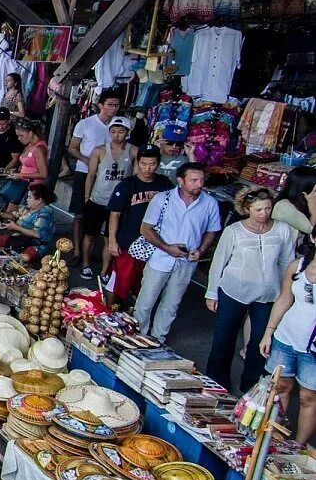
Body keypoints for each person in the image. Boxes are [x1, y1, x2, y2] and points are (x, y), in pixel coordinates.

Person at [205, 187, 297, 391]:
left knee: (260, 343)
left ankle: (252, 387)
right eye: (258, 209)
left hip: (268, 294)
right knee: (223, 340)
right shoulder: (234, 231)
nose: (264, 213)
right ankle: (216, 384)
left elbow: (286, 263)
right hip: (233, 292)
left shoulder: (282, 229)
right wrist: (212, 293)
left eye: (267, 208)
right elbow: (219, 263)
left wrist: (285, 293)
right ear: (247, 209)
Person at [135, 162, 221, 341]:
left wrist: (201, 250)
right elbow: (146, 228)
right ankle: (137, 335)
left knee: (171, 304)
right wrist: (167, 248)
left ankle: (158, 339)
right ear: (181, 180)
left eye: (201, 180)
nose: (199, 184)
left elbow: (212, 230)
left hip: (187, 262)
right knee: (145, 302)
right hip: (160, 258)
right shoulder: (162, 198)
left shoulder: (210, 203)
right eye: (194, 180)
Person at [262, 250, 316, 450]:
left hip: (312, 347)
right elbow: (284, 298)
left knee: (308, 397)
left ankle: (297, 446)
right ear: (313, 238)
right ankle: (273, 436)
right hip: (285, 336)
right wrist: (269, 332)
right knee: (280, 386)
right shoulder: (297, 266)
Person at [105, 146, 173, 304]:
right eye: (143, 163)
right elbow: (114, 214)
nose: (147, 168)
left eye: (152, 164)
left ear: (158, 164)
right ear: (137, 163)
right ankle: (108, 314)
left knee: (143, 282)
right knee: (119, 281)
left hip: (154, 243)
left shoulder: (164, 184)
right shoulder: (127, 185)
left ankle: (133, 316)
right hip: (128, 242)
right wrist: (113, 241)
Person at [68, 95, 121, 260]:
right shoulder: (85, 124)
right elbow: (73, 148)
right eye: (110, 104)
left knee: (101, 215)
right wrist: (90, 162)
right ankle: (77, 250)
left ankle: (90, 252)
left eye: (116, 105)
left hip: (107, 177)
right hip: (84, 172)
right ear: (100, 104)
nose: (113, 108)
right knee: (79, 213)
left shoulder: (118, 127)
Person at [82, 116, 135, 276]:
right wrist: (87, 197)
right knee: (90, 235)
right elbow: (91, 175)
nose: (116, 135)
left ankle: (104, 272)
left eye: (120, 131)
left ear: (127, 132)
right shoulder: (100, 150)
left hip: (118, 204)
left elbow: (135, 176)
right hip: (97, 199)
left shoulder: (133, 151)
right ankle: (86, 264)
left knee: (110, 239)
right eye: (113, 131)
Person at [0, 184, 57, 257]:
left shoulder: (45, 213)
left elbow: (37, 234)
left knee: (21, 258)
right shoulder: (28, 208)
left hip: (36, 246)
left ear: (39, 200)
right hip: (20, 240)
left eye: (29, 197)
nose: (27, 199)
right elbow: (14, 215)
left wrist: (16, 227)